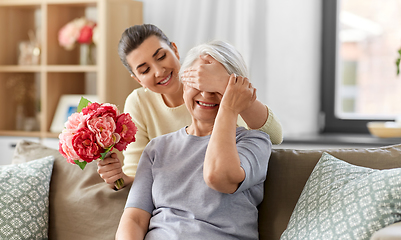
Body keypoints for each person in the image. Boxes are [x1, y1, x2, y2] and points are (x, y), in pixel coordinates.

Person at [115, 40, 272, 240]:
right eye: (198, 83)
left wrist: (230, 108)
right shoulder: (157, 148)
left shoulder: (255, 142)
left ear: (236, 93)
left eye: (215, 86)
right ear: (183, 84)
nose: (206, 93)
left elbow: (218, 176)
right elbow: (134, 219)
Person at [97, 24, 281, 189]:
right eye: (145, 70)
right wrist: (119, 179)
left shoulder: (217, 93)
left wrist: (224, 83)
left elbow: (273, 136)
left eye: (161, 57)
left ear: (175, 50)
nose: (159, 71)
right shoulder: (139, 102)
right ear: (138, 80)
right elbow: (140, 175)